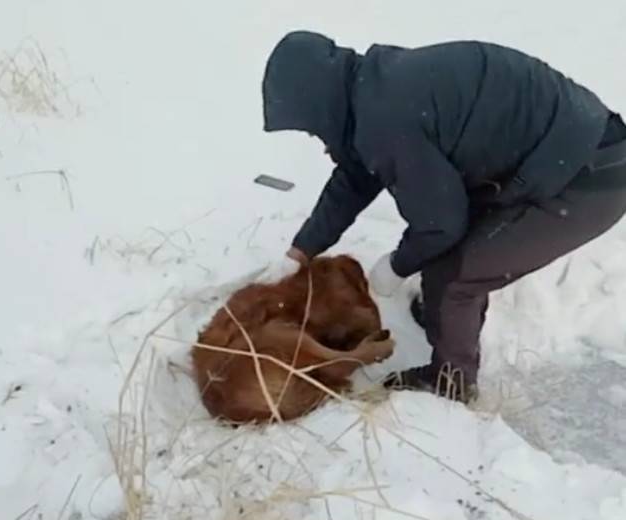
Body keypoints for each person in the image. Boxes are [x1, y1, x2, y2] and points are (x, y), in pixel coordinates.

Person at [260, 31, 626, 403]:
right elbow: (355, 176)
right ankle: (442, 314)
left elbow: (440, 225)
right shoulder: (374, 88)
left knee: (454, 274)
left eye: (312, 128)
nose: (319, 142)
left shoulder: (386, 120)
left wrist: (396, 265)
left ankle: (450, 382)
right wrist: (304, 248)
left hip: (585, 179)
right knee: (450, 256)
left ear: (321, 106)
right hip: (568, 151)